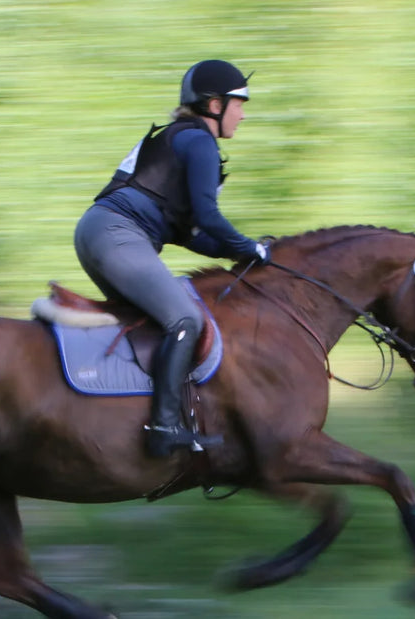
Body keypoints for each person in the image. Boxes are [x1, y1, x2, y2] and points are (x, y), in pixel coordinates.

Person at [74, 59, 270, 458]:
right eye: (239, 104)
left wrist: (239, 253)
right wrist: (251, 247)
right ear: (215, 105)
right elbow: (208, 216)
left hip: (99, 231)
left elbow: (192, 235)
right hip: (118, 234)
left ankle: (121, 415)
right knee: (185, 319)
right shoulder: (199, 142)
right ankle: (163, 427)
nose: (244, 114)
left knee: (156, 322)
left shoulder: (180, 138)